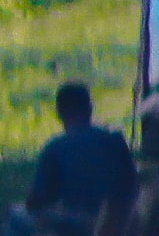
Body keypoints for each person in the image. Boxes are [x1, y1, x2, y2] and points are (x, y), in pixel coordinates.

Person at [26, 83, 138, 220]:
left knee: (17, 218)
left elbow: (37, 201)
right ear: (90, 109)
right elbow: (133, 185)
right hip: (117, 225)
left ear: (59, 113)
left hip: (75, 227)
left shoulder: (54, 149)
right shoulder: (115, 141)